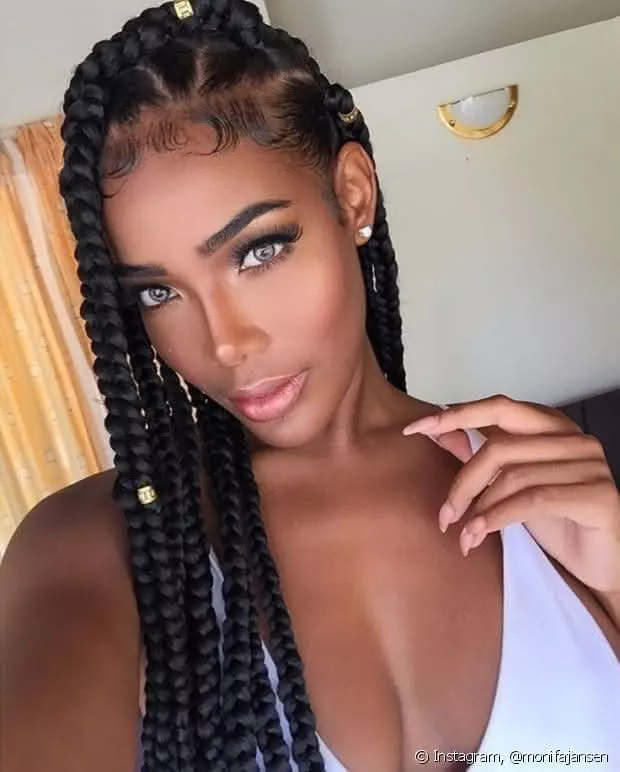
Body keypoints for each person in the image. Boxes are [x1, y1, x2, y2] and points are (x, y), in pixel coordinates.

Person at [1, 1, 619, 770]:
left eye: (258, 251)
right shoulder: (100, 543)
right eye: (158, 292)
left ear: (352, 196)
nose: (225, 343)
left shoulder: (545, 498)